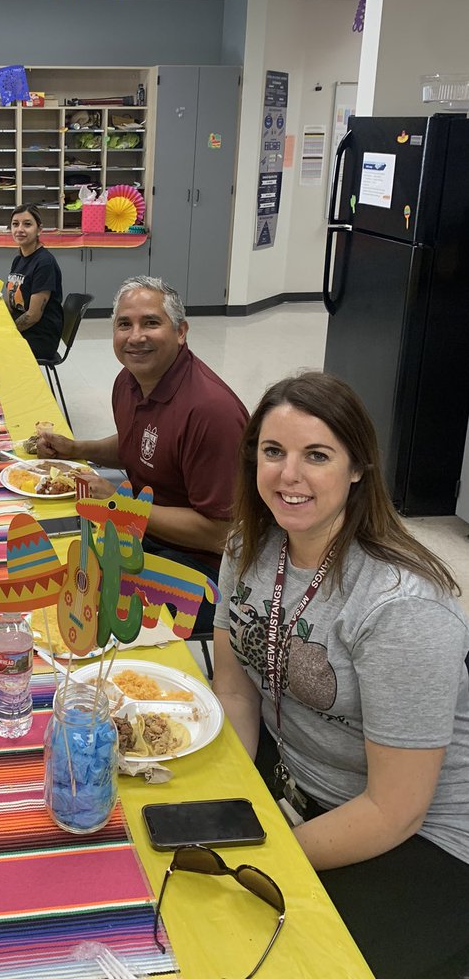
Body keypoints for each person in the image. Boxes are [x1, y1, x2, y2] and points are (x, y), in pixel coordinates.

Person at [211, 371, 469, 979]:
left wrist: (272, 854)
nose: (288, 475)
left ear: (358, 468)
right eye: (273, 452)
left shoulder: (400, 605)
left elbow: (395, 809)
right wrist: (231, 791)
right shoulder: (249, 543)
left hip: (423, 833)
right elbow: (234, 688)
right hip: (298, 777)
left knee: (280, 960)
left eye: (317, 455)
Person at [37, 276, 247, 632]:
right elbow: (141, 446)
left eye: (151, 322)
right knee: (50, 556)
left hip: (206, 571)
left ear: (181, 331)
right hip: (144, 535)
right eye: (124, 324)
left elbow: (220, 535)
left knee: (72, 601)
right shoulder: (129, 381)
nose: (135, 337)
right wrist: (77, 448)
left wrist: (122, 506)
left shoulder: (211, 412)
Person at [3, 204, 64, 361]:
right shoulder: (18, 259)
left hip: (39, 337)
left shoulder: (44, 263)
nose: (20, 229)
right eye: (15, 224)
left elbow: (33, 315)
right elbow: (11, 302)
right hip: (24, 330)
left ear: (39, 230)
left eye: (27, 224)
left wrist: (5, 332)